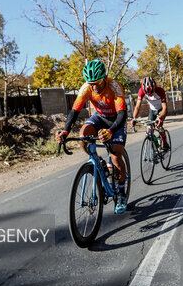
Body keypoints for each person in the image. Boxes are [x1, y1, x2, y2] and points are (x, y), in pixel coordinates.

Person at [55, 59, 129, 214]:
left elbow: (122, 114)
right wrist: (65, 131)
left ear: (105, 77)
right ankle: (98, 161)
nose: (94, 87)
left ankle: (121, 193)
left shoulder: (114, 86)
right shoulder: (86, 88)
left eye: (97, 83)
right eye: (91, 83)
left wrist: (110, 131)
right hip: (100, 117)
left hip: (116, 120)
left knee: (115, 156)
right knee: (83, 136)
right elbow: (74, 112)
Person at [131, 76, 170, 151]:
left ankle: (165, 143)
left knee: (158, 126)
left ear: (154, 87)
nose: (150, 95)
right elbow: (137, 106)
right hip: (152, 110)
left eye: (151, 93)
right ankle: (153, 152)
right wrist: (134, 118)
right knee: (148, 131)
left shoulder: (160, 91)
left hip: (161, 110)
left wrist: (160, 117)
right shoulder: (141, 91)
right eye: (147, 94)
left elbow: (164, 107)